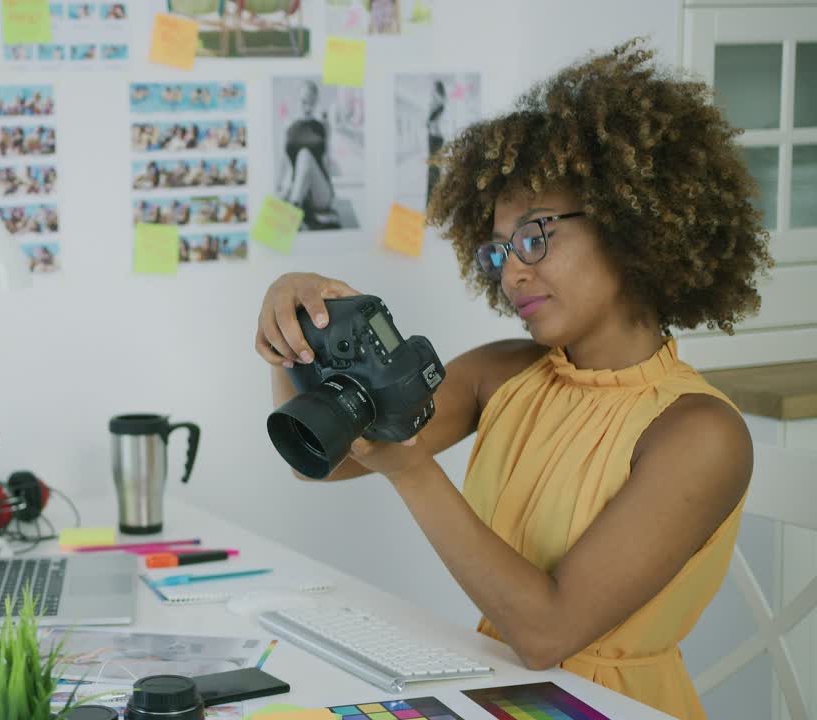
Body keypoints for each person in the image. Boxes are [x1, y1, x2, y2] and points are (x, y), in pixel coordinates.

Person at [254, 39, 771, 720]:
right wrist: (295, 334)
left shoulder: (701, 433)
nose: (511, 273)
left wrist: (411, 470)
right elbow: (318, 463)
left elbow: (546, 633)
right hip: (492, 692)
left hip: (606, 707)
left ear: (627, 223)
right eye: (498, 250)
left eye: (535, 237)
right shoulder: (505, 373)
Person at [276, 80, 341, 230]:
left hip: (320, 192)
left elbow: (327, 159)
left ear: (316, 101)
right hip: (298, 188)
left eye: (312, 102)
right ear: (297, 100)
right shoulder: (288, 126)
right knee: (301, 159)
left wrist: (331, 189)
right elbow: (283, 161)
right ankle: (296, 206)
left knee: (305, 155)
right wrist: (279, 188)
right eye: (304, 101)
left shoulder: (323, 126)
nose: (307, 106)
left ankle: (292, 211)